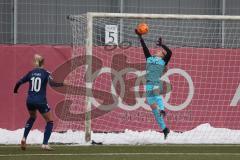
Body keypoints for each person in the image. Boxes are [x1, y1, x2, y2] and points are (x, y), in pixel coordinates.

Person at [14, 54, 64, 150]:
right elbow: (53, 84)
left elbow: (18, 82)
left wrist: (15, 91)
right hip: (40, 101)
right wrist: (63, 83)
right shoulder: (46, 72)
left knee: (32, 117)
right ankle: (45, 144)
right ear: (43, 63)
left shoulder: (31, 73)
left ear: (35, 62)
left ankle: (24, 137)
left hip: (30, 101)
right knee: (50, 121)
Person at [135, 29, 172, 139]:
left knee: (158, 97)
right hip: (148, 84)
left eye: (160, 51)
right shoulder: (150, 58)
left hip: (156, 83)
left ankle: (162, 109)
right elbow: (144, 48)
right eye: (158, 50)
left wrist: (162, 45)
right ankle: (164, 128)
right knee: (153, 109)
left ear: (162, 55)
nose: (157, 51)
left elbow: (170, 52)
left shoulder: (163, 61)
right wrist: (140, 37)